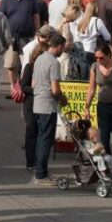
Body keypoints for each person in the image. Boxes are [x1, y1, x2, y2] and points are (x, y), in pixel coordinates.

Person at [32, 33, 66, 185]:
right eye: (62, 47)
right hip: (47, 106)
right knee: (46, 140)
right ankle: (41, 174)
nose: (63, 50)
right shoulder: (54, 63)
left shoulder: (39, 58)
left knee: (41, 139)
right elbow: (55, 89)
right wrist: (63, 100)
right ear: (58, 46)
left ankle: (41, 170)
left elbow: (33, 83)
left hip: (37, 103)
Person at [0, 0, 40, 88]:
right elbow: (1, 18)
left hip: (26, 37)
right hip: (10, 38)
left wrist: (38, 31)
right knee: (11, 64)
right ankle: (13, 87)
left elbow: (35, 15)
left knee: (26, 63)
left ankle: (23, 86)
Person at [20, 39, 46, 172]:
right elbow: (23, 86)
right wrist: (36, 90)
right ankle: (30, 162)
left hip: (43, 104)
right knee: (31, 131)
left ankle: (38, 162)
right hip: (30, 104)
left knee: (40, 134)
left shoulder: (46, 68)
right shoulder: (30, 67)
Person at [70, 2, 111, 70]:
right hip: (93, 51)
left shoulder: (81, 21)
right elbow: (108, 37)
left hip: (81, 52)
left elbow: (77, 38)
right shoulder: (97, 21)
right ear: (96, 10)